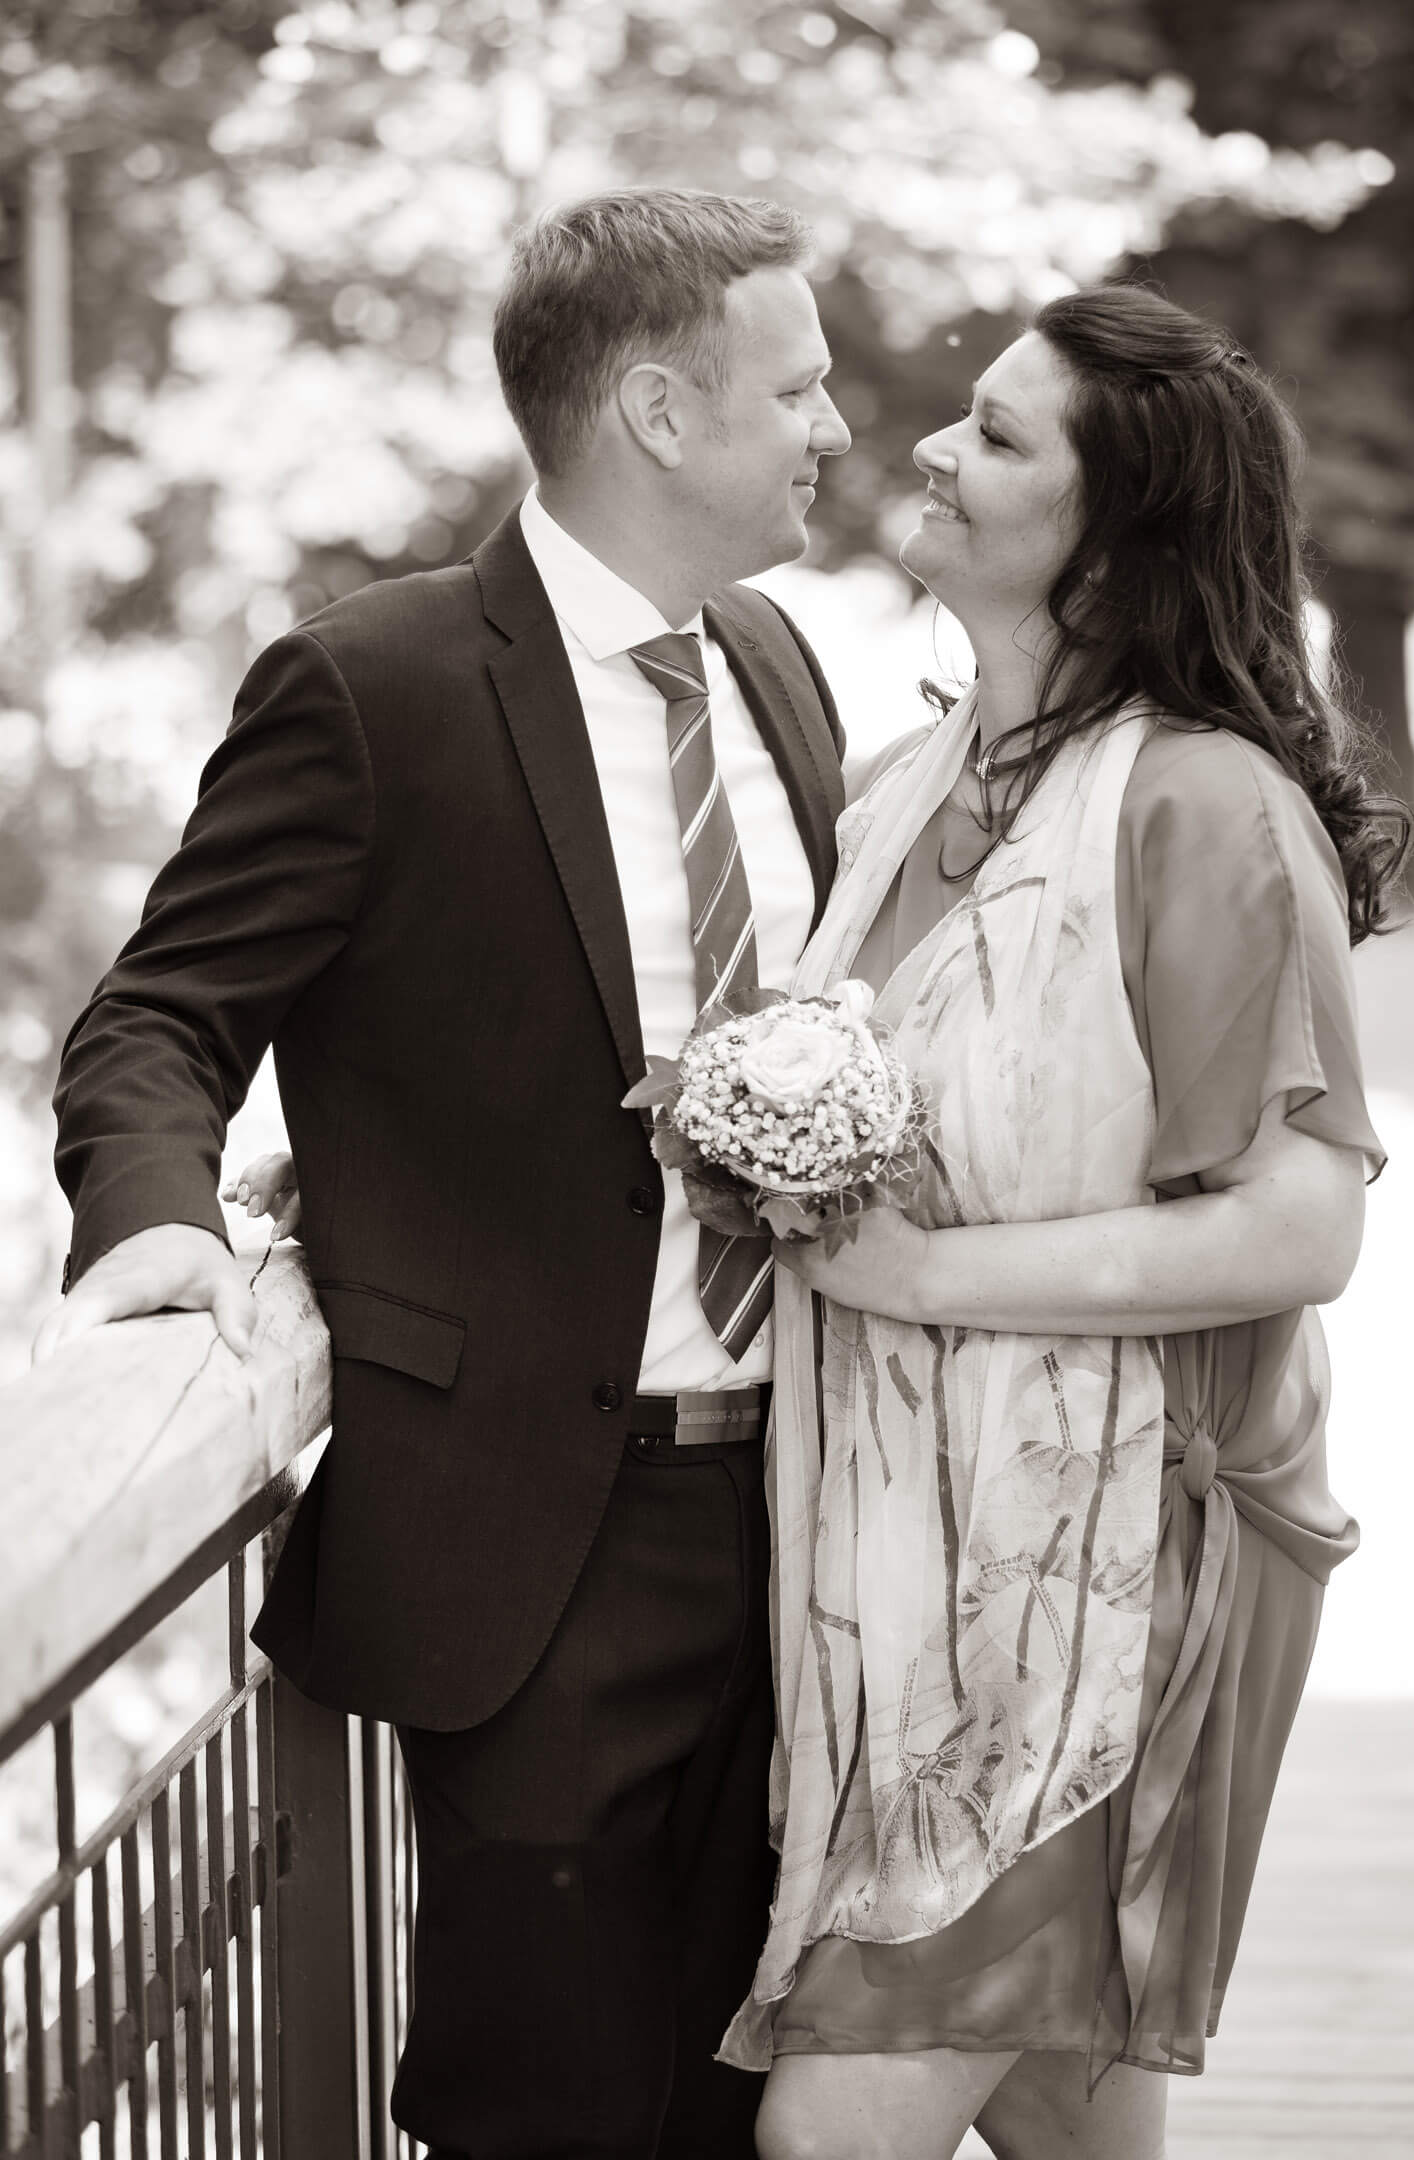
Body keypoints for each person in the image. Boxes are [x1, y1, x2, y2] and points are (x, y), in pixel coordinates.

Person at [41, 188, 851, 2158]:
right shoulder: (373, 684)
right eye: (799, 384)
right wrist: (160, 1229)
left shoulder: (777, 659)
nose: (839, 425)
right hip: (531, 1546)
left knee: (765, 2084)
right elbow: (160, 1018)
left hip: (827, 1510)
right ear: (661, 412)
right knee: (542, 2095)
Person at [714, 286, 1410, 2160]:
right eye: (969, 410)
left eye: (1003, 437)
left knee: (835, 2126)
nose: (932, 445)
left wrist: (924, 1276)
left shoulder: (1204, 806)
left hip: (1115, 1558)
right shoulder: (901, 788)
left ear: (1116, 552)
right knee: (1057, 2113)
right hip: (897, 1554)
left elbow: (1298, 1228)